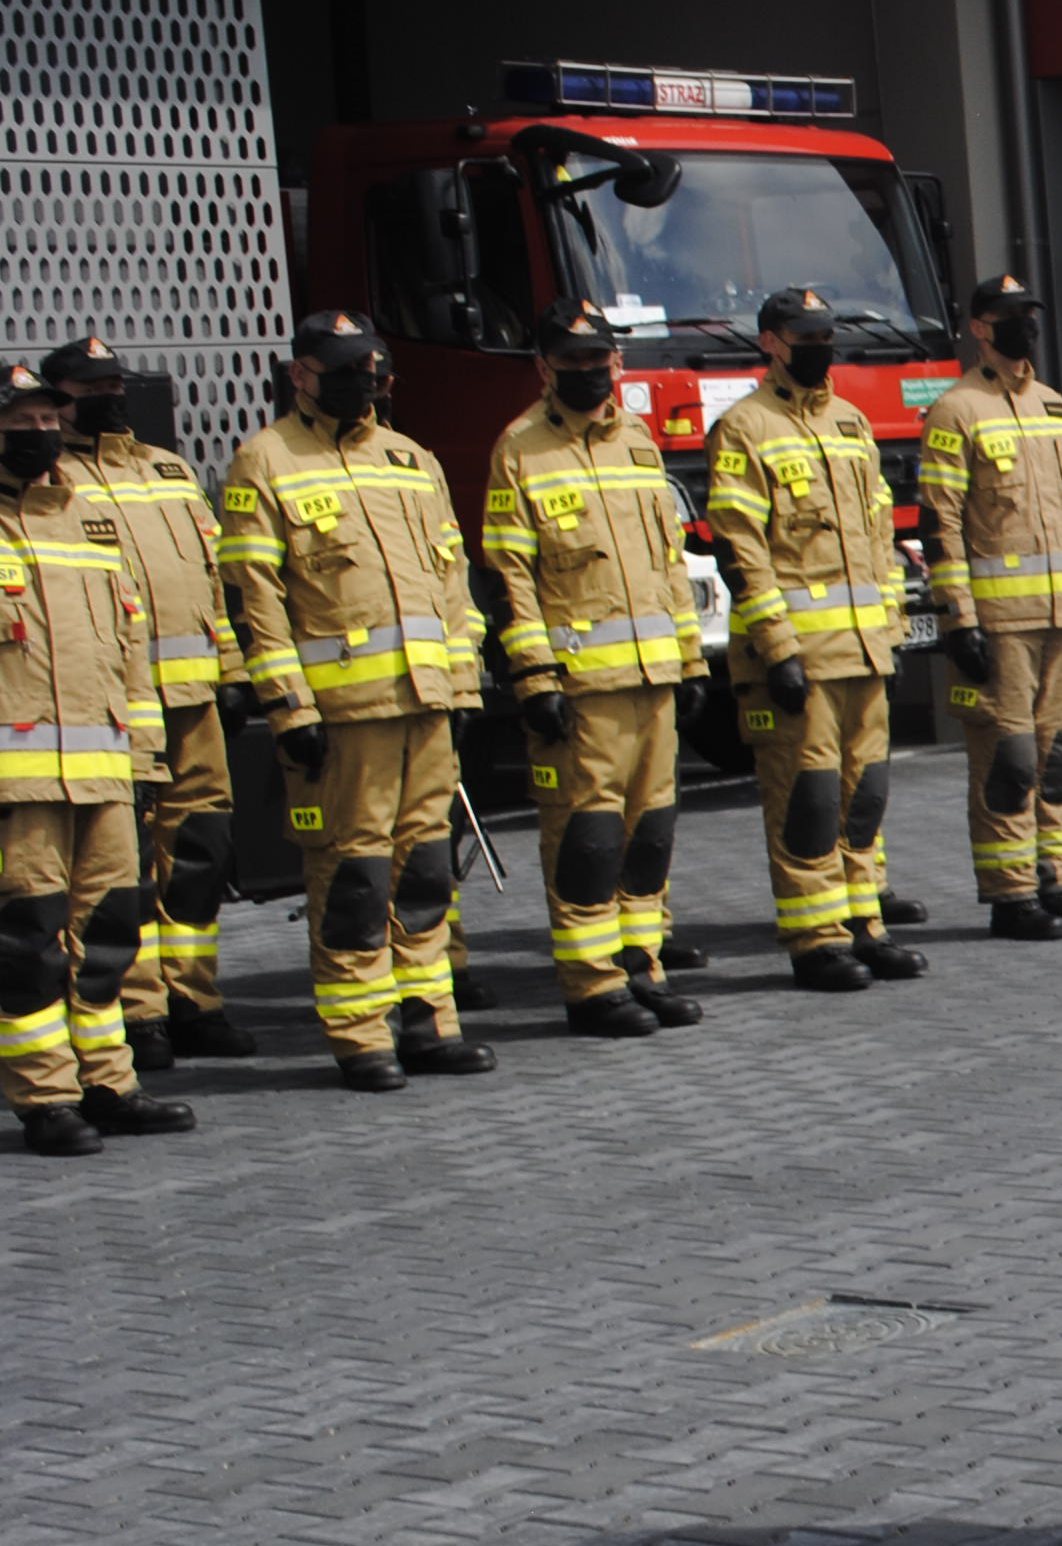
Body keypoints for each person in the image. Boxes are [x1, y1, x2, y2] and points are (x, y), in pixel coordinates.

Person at [217, 312, 497, 1090]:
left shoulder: (413, 459)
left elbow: (452, 584)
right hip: (342, 721)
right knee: (354, 878)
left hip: (426, 705)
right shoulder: (264, 460)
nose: (359, 382)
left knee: (426, 872)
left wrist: (465, 682)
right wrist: (288, 706)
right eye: (339, 369)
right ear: (300, 374)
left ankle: (427, 1023)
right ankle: (360, 1033)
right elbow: (256, 601)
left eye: (368, 368)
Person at [477, 301, 706, 1035]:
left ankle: (642, 965)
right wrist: (535, 677)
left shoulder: (638, 438)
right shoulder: (519, 448)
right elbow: (509, 573)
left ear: (615, 363)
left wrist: (691, 656)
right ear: (544, 368)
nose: (587, 373)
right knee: (589, 839)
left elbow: (667, 560)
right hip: (581, 690)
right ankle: (592, 983)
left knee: (649, 836)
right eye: (569, 361)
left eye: (597, 360)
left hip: (653, 679)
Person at [40, 337, 258, 1069]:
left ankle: (194, 999)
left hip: (194, 702)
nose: (106, 395)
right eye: (88, 385)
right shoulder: (55, 479)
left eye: (112, 381)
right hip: (116, 710)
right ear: (57, 396)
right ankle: (139, 1014)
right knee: (124, 870)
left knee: (199, 857)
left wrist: (230, 671)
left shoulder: (168, 469)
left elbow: (207, 580)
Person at [704, 287, 924, 992]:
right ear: (771, 341)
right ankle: (815, 938)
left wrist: (890, 633)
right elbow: (741, 550)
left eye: (827, 333)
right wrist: (777, 649)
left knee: (865, 797)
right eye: (805, 335)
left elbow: (879, 534)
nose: (820, 346)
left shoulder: (852, 422)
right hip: (797, 660)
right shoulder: (744, 427)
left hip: (863, 651)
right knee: (809, 799)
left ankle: (865, 924)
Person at [0, 366, 190, 1152]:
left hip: (106, 771)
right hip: (19, 786)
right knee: (28, 943)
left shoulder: (87, 523)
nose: (41, 431)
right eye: (22, 420)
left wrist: (143, 757)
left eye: (49, 415)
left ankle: (109, 1082)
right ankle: (46, 1097)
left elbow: (129, 650)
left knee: (108, 935)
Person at [917, 273, 1062, 940]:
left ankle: (1053, 880)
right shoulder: (956, 411)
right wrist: (958, 618)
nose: (1023, 326)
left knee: (1059, 759)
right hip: (998, 626)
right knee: (1009, 762)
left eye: (1029, 313)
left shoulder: (1054, 407)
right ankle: (1010, 892)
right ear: (979, 327)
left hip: (1060, 617)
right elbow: (939, 524)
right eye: (1008, 316)